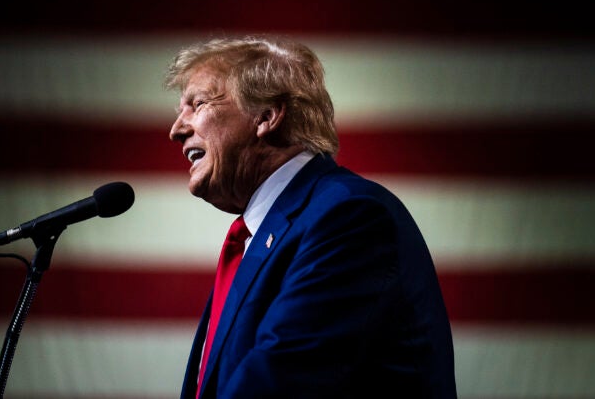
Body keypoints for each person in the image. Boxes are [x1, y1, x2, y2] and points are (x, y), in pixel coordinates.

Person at [166, 36, 456, 399]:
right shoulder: (261, 234)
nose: (176, 129)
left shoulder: (349, 217)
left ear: (267, 116)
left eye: (198, 104)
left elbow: (278, 383)